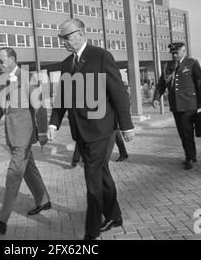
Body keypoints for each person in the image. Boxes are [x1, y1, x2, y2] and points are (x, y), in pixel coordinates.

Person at [47, 18, 134, 240]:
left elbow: (118, 93)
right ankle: (114, 216)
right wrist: (53, 123)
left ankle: (91, 231)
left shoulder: (101, 56)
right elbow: (62, 98)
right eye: (61, 38)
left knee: (92, 177)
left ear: (81, 33)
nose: (63, 42)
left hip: (101, 128)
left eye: (66, 37)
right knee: (102, 174)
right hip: (80, 130)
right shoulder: (67, 64)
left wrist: (126, 125)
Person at [0, 47, 50, 235]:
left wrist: (43, 132)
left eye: (1, 61)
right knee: (29, 169)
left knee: (13, 177)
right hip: (11, 136)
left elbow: (40, 107)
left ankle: (1, 221)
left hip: (24, 137)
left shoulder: (28, 78)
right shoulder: (3, 82)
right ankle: (43, 200)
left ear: (12, 59)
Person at [152, 42, 201, 170]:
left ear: (184, 50)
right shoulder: (169, 65)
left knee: (187, 131)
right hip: (176, 105)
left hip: (189, 104)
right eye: (173, 53)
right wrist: (156, 98)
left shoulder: (192, 63)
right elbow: (162, 83)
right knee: (183, 132)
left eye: (177, 53)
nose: (175, 55)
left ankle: (189, 158)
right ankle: (191, 155)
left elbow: (200, 83)